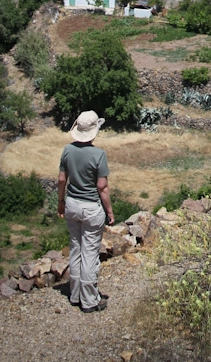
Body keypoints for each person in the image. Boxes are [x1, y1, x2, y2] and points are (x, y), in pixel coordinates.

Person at [57, 110, 115, 313]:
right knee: (90, 253)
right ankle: (89, 300)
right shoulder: (99, 155)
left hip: (72, 204)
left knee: (76, 248)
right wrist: (109, 211)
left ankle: (75, 294)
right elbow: (102, 187)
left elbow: (62, 180)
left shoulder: (67, 150)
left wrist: (60, 202)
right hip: (91, 207)